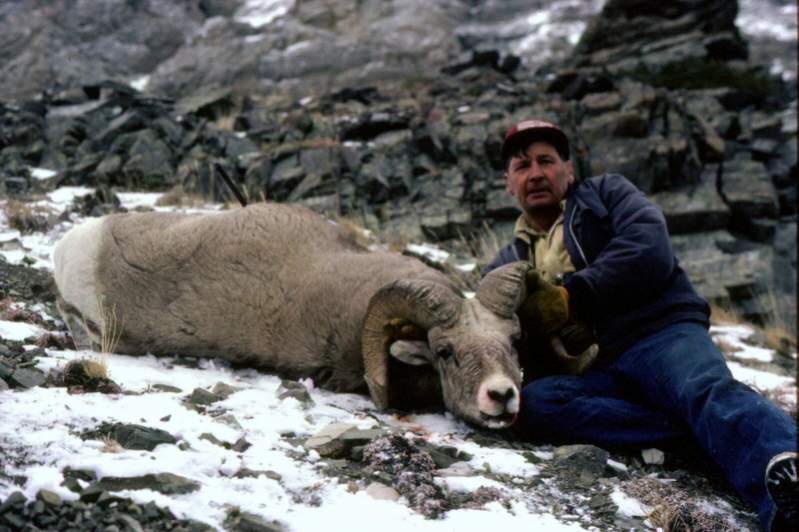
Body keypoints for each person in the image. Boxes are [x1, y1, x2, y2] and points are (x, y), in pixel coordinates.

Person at [482, 119, 798, 531]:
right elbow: (493, 328)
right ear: (508, 182)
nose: (536, 173)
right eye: (522, 165)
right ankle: (702, 430)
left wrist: (571, 296)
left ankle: (785, 487)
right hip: (598, 367)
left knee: (702, 387)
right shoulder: (504, 262)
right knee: (537, 403)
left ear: (569, 170)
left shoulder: (607, 194)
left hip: (663, 332)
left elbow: (649, 246)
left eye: (547, 160)